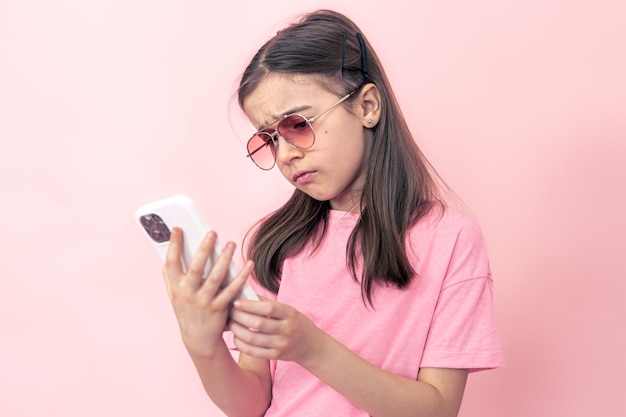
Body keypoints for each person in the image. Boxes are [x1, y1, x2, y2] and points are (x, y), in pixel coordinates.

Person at [162, 9, 504, 417]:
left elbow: (437, 409)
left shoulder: (449, 239)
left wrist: (312, 347)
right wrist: (203, 347)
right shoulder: (274, 244)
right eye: (269, 139)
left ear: (367, 107)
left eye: (298, 124)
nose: (286, 153)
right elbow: (251, 404)